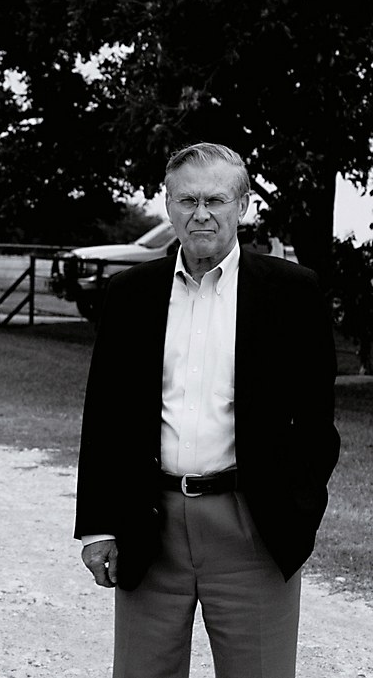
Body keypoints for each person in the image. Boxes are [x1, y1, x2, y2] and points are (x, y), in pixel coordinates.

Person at [74, 142, 339, 677]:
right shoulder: (130, 295)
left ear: (241, 205)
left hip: (253, 526)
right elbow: (104, 416)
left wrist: (298, 510)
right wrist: (99, 524)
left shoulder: (292, 293)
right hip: (151, 528)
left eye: (215, 199)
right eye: (186, 200)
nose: (201, 214)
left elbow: (316, 424)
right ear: (167, 204)